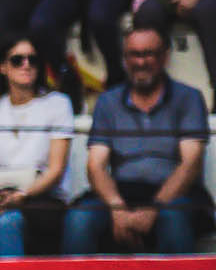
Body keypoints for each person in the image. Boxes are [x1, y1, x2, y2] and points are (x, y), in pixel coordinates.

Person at [66, 26, 207, 254]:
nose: (141, 62)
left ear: (165, 57)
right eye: (134, 54)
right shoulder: (108, 101)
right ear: (125, 59)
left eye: (148, 53)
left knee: (172, 217)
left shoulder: (188, 98)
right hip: (122, 193)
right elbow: (95, 165)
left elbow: (191, 164)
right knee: (79, 219)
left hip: (176, 196)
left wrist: (154, 208)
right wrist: (117, 208)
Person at [0, 36, 72, 259]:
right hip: (0, 195)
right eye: (18, 60)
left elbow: (56, 170)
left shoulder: (57, 104)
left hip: (41, 198)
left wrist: (23, 195)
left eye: (32, 59)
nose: (26, 65)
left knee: (8, 223)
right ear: (3, 67)